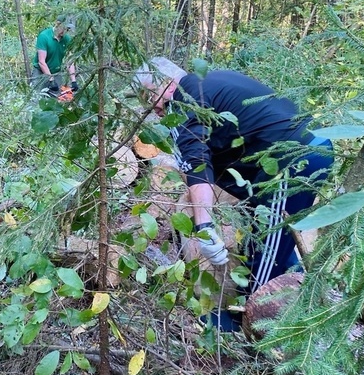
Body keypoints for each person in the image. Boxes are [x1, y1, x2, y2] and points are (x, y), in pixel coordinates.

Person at [135, 57, 333, 330]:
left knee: (266, 245)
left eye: (149, 96)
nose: (151, 108)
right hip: (299, 150)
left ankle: (254, 326)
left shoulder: (186, 101)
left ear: (166, 84)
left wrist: (204, 226)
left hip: (294, 157)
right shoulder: (209, 83)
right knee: (266, 236)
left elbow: (197, 163)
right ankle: (295, 295)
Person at [32, 17, 78, 95]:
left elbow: (69, 60)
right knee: (36, 97)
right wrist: (51, 79)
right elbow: (41, 61)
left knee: (55, 99)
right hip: (40, 72)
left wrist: (73, 80)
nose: (65, 31)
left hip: (56, 72)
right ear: (57, 24)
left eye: (67, 29)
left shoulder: (67, 39)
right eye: (64, 28)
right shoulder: (44, 36)